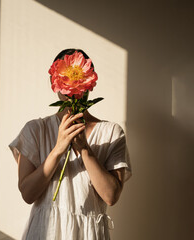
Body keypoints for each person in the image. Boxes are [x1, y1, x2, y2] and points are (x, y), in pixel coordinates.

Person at [8, 49, 132, 240]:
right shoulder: (35, 130)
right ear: (54, 83)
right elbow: (27, 194)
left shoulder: (112, 132)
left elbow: (111, 196)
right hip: (45, 232)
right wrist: (58, 149)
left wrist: (84, 150)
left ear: (89, 83)